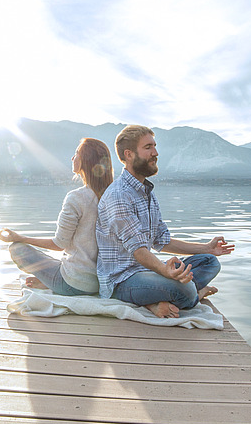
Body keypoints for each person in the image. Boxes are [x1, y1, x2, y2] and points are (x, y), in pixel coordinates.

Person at [96, 124, 235, 318]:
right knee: (185, 291)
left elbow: (162, 241)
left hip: (147, 271)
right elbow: (139, 251)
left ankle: (166, 296)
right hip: (122, 281)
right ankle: (190, 296)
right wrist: (164, 271)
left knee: (210, 262)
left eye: (154, 146)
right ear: (129, 155)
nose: (155, 153)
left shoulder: (147, 194)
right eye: (148, 148)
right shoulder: (119, 195)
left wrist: (207, 248)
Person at [0, 138, 114, 296]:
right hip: (100, 282)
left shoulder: (76, 198)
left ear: (86, 161)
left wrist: (20, 237)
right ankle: (48, 280)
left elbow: (59, 244)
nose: (72, 158)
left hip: (74, 284)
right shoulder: (112, 196)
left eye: (77, 153)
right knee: (58, 261)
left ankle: (51, 283)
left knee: (17, 249)